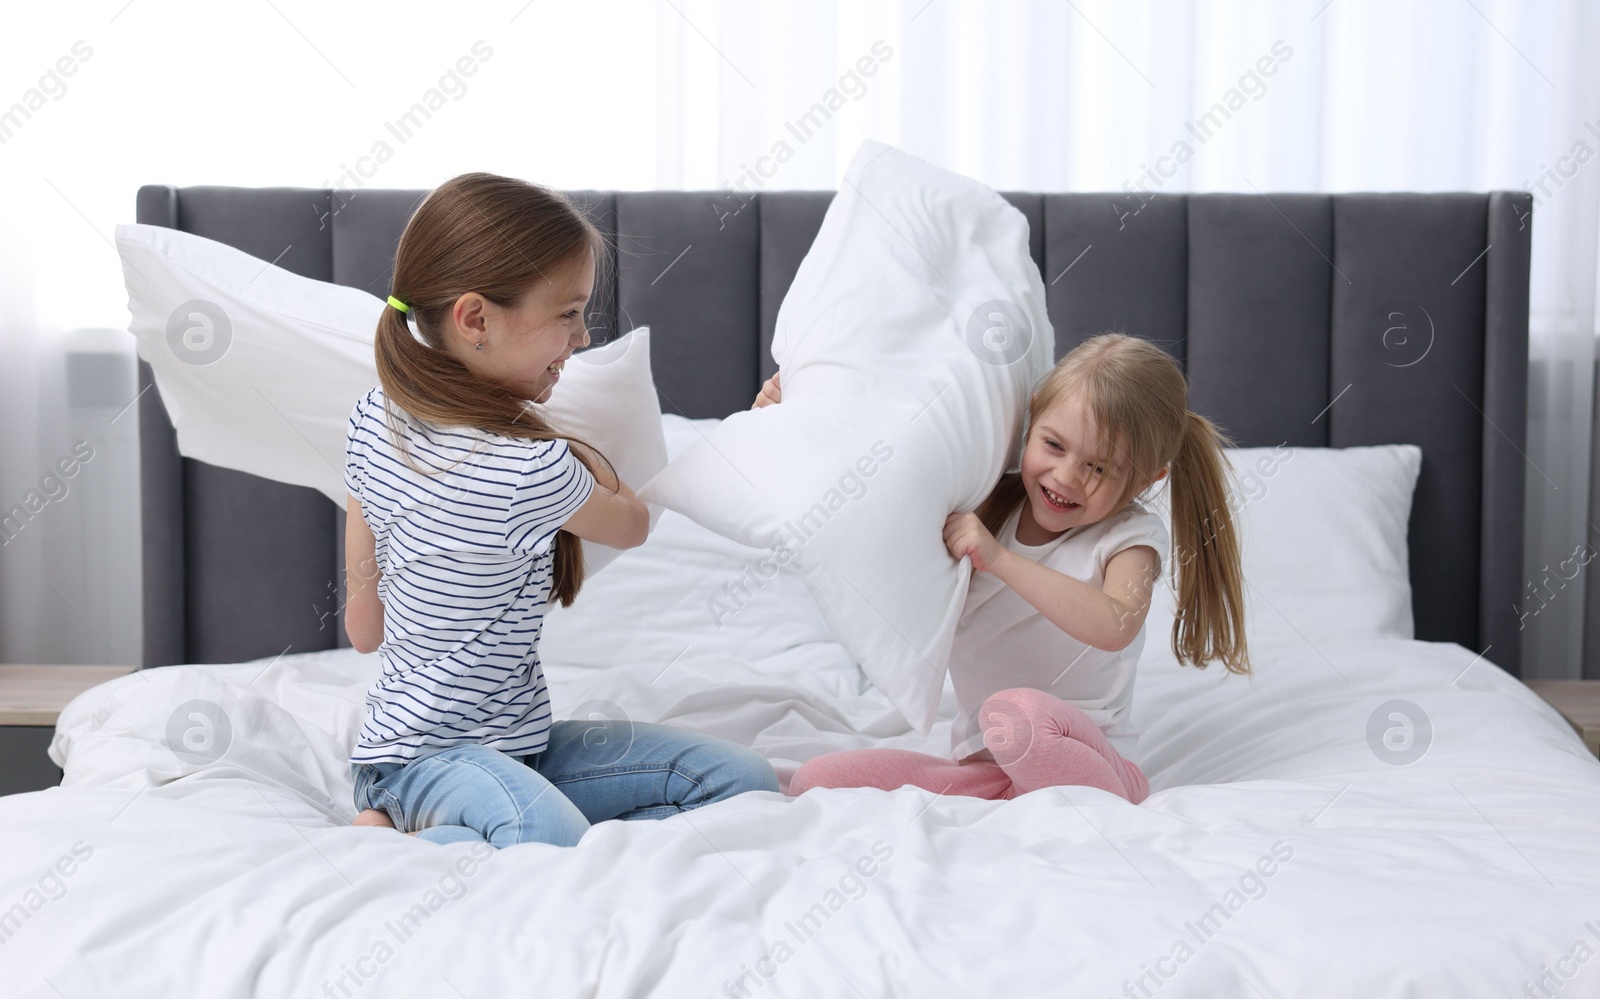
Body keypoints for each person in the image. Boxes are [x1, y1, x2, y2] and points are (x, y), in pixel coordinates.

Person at [344, 173, 778, 847]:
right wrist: (581, 445)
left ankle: (416, 827)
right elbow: (631, 522)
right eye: (568, 313)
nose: (580, 339)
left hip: (519, 751)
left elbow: (363, 625)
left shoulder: (375, 418)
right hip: (420, 762)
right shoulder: (533, 467)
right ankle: (390, 842)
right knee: (547, 838)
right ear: (475, 318)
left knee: (745, 779)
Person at [774, 333, 1251, 804]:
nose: (1066, 478)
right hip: (986, 761)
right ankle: (1010, 795)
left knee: (1017, 715)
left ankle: (1107, 788)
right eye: (1054, 445)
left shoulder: (1129, 538)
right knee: (819, 780)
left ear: (1148, 479)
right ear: (1032, 419)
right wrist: (788, 422)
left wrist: (1002, 561)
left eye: (1099, 468)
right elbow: (868, 497)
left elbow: (1115, 624)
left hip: (1086, 752)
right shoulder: (986, 503)